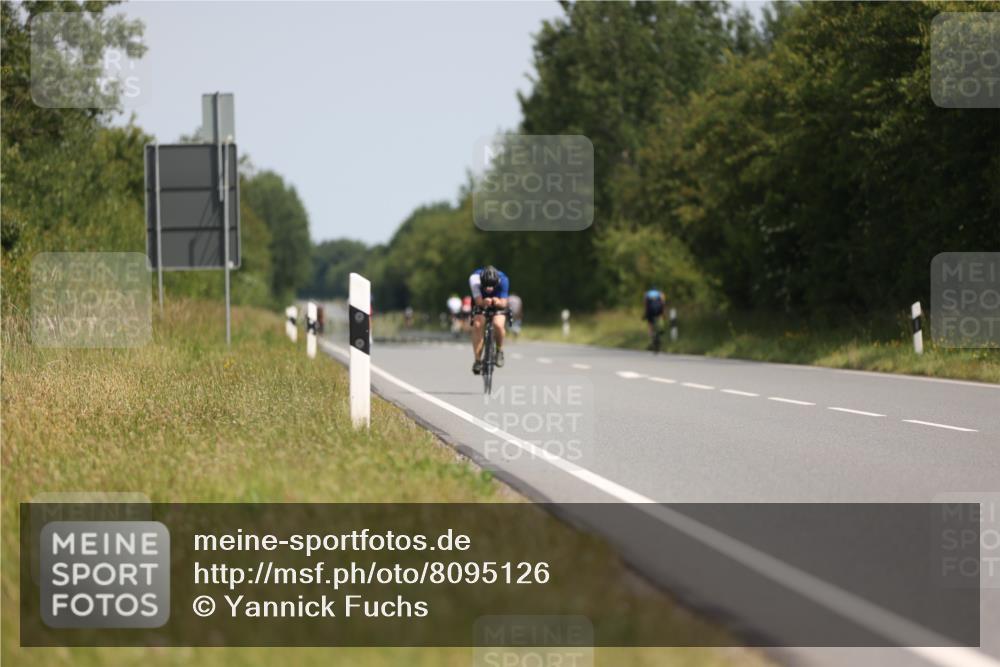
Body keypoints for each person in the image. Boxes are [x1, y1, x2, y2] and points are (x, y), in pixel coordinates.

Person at [469, 265, 509, 375]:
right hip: (481, 300)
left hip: (498, 299)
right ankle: (477, 360)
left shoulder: (504, 280)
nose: (489, 289)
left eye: (492, 286)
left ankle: (499, 351)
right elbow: (478, 301)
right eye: (486, 286)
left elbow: (504, 302)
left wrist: (498, 302)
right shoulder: (474, 279)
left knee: (498, 324)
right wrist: (483, 302)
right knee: (478, 324)